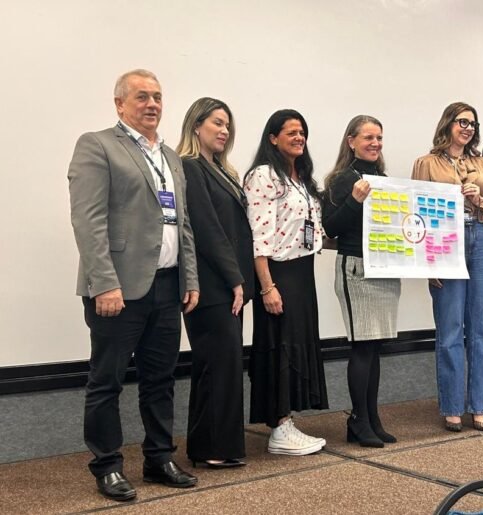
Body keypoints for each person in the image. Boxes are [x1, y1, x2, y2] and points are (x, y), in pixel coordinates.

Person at [68, 69, 199, 502]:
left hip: (166, 286)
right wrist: (103, 283)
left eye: (158, 97)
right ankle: (106, 466)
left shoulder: (170, 156)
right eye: (142, 96)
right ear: (119, 103)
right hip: (117, 289)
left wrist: (189, 277)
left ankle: (159, 458)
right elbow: (88, 221)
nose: (152, 104)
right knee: (106, 381)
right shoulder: (98, 144)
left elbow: (182, 225)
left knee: (160, 380)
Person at [411, 102, 483, 432]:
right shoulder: (426, 163)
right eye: (462, 122)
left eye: (473, 124)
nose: (468, 128)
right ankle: (452, 405)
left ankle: (480, 404)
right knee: (450, 329)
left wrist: (479, 199)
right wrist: (426, 263)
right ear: (448, 124)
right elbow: (415, 210)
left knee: (482, 328)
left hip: (481, 238)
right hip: (443, 242)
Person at [244, 109, 329, 455]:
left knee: (298, 344)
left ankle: (288, 421)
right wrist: (267, 286)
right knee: (280, 346)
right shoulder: (264, 175)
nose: (298, 137)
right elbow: (258, 234)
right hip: (277, 273)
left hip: (302, 271)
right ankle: (278, 427)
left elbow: (316, 231)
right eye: (290, 132)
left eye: (302, 132)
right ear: (272, 138)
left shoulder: (302, 179)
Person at [176, 98, 255, 468]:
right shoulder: (191, 168)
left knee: (221, 365)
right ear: (196, 125)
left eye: (228, 126)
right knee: (217, 365)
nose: (224, 131)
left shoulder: (222, 171)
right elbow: (207, 231)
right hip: (211, 286)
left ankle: (212, 446)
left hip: (227, 285)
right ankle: (212, 448)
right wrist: (235, 280)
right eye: (217, 123)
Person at [322, 115, 401, 447]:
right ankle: (358, 420)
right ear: (351, 140)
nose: (375, 143)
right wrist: (355, 200)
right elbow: (331, 228)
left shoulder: (383, 178)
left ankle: (371, 417)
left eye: (379, 138)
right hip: (356, 268)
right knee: (362, 346)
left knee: (375, 345)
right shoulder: (343, 180)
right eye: (368, 137)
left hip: (383, 268)